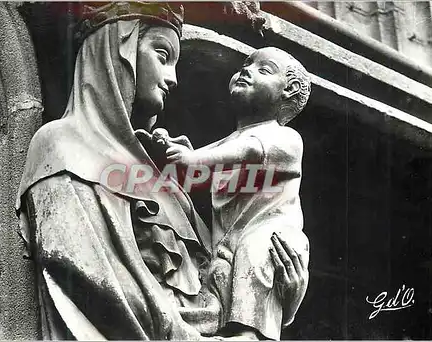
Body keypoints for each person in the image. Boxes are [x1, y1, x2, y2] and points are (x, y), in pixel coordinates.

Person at [15, 2, 308, 340]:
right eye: (162, 55)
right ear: (116, 51)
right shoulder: (62, 144)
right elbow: (88, 276)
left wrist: (285, 294)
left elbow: (219, 276)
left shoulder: (163, 182)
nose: (173, 79)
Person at [160, 47, 311, 340]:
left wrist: (192, 159)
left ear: (288, 90)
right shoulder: (232, 142)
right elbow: (214, 154)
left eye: (263, 70)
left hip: (271, 236)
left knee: (256, 251)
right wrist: (179, 152)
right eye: (246, 64)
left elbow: (249, 152)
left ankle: (250, 335)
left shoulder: (284, 138)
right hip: (228, 246)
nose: (247, 70)